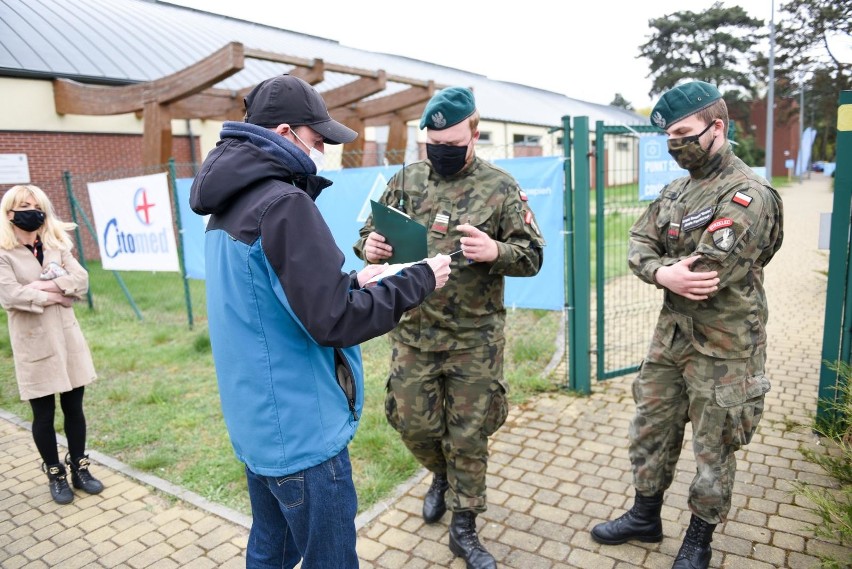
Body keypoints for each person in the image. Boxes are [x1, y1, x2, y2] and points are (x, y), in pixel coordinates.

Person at [189, 74, 451, 569]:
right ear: (285, 133)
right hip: (302, 432)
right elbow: (334, 323)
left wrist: (354, 280)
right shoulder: (284, 204)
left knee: (270, 549)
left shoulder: (228, 201)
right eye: (318, 140)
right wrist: (418, 280)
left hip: (258, 423)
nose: (324, 152)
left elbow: (273, 296)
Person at [589, 80, 783, 569]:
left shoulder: (748, 194)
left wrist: (670, 270)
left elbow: (704, 275)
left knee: (714, 446)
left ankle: (699, 540)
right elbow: (638, 242)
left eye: (684, 132)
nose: (675, 144)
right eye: (669, 136)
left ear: (717, 128)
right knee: (651, 427)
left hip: (725, 345)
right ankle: (644, 516)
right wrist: (660, 271)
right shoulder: (677, 189)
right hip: (670, 338)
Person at [353, 86, 545, 569]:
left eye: (450, 141)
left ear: (474, 134)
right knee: (412, 423)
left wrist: (496, 251)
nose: (439, 150)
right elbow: (366, 235)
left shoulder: (501, 189)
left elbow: (534, 255)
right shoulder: (404, 180)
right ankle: (439, 475)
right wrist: (369, 248)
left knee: (468, 434)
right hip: (413, 332)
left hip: (473, 340)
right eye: (431, 142)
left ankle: (465, 527)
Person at [0, 184, 104, 505]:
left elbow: (81, 280)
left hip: (68, 339)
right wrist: (60, 293)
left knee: (74, 408)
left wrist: (41, 289)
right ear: (9, 213)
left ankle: (79, 467)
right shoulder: (3, 253)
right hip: (34, 344)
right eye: (23, 205)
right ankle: (55, 474)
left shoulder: (56, 244)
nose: (30, 210)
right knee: (43, 415)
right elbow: (10, 295)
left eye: (36, 204)